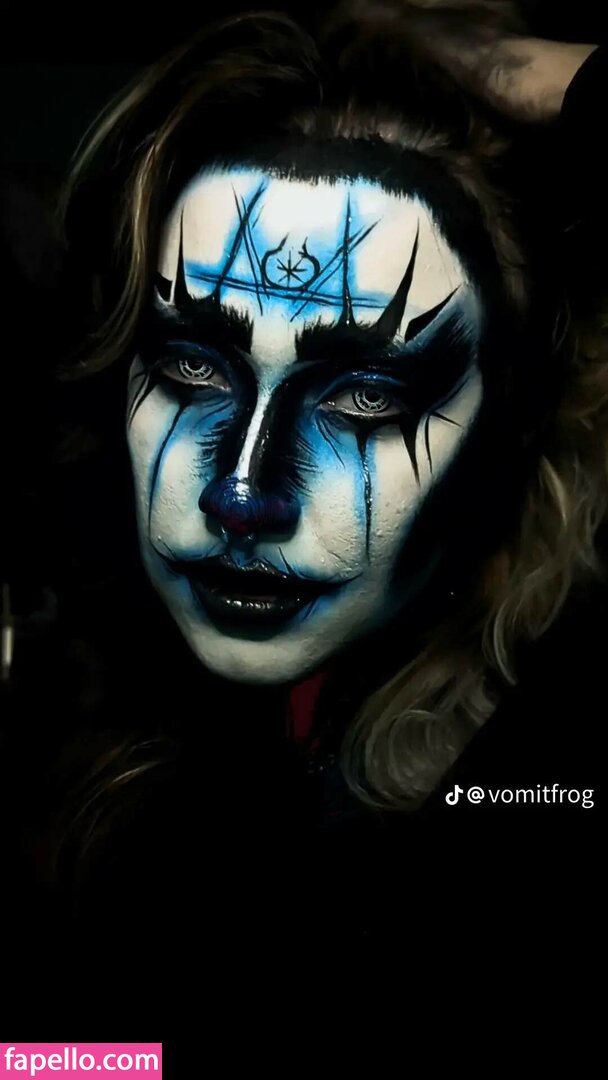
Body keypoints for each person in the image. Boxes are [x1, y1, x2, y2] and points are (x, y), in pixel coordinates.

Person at [2, 0, 605, 1013]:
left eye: (364, 398)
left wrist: (535, 72)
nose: (242, 495)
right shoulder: (77, 702)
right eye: (192, 370)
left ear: (516, 423)